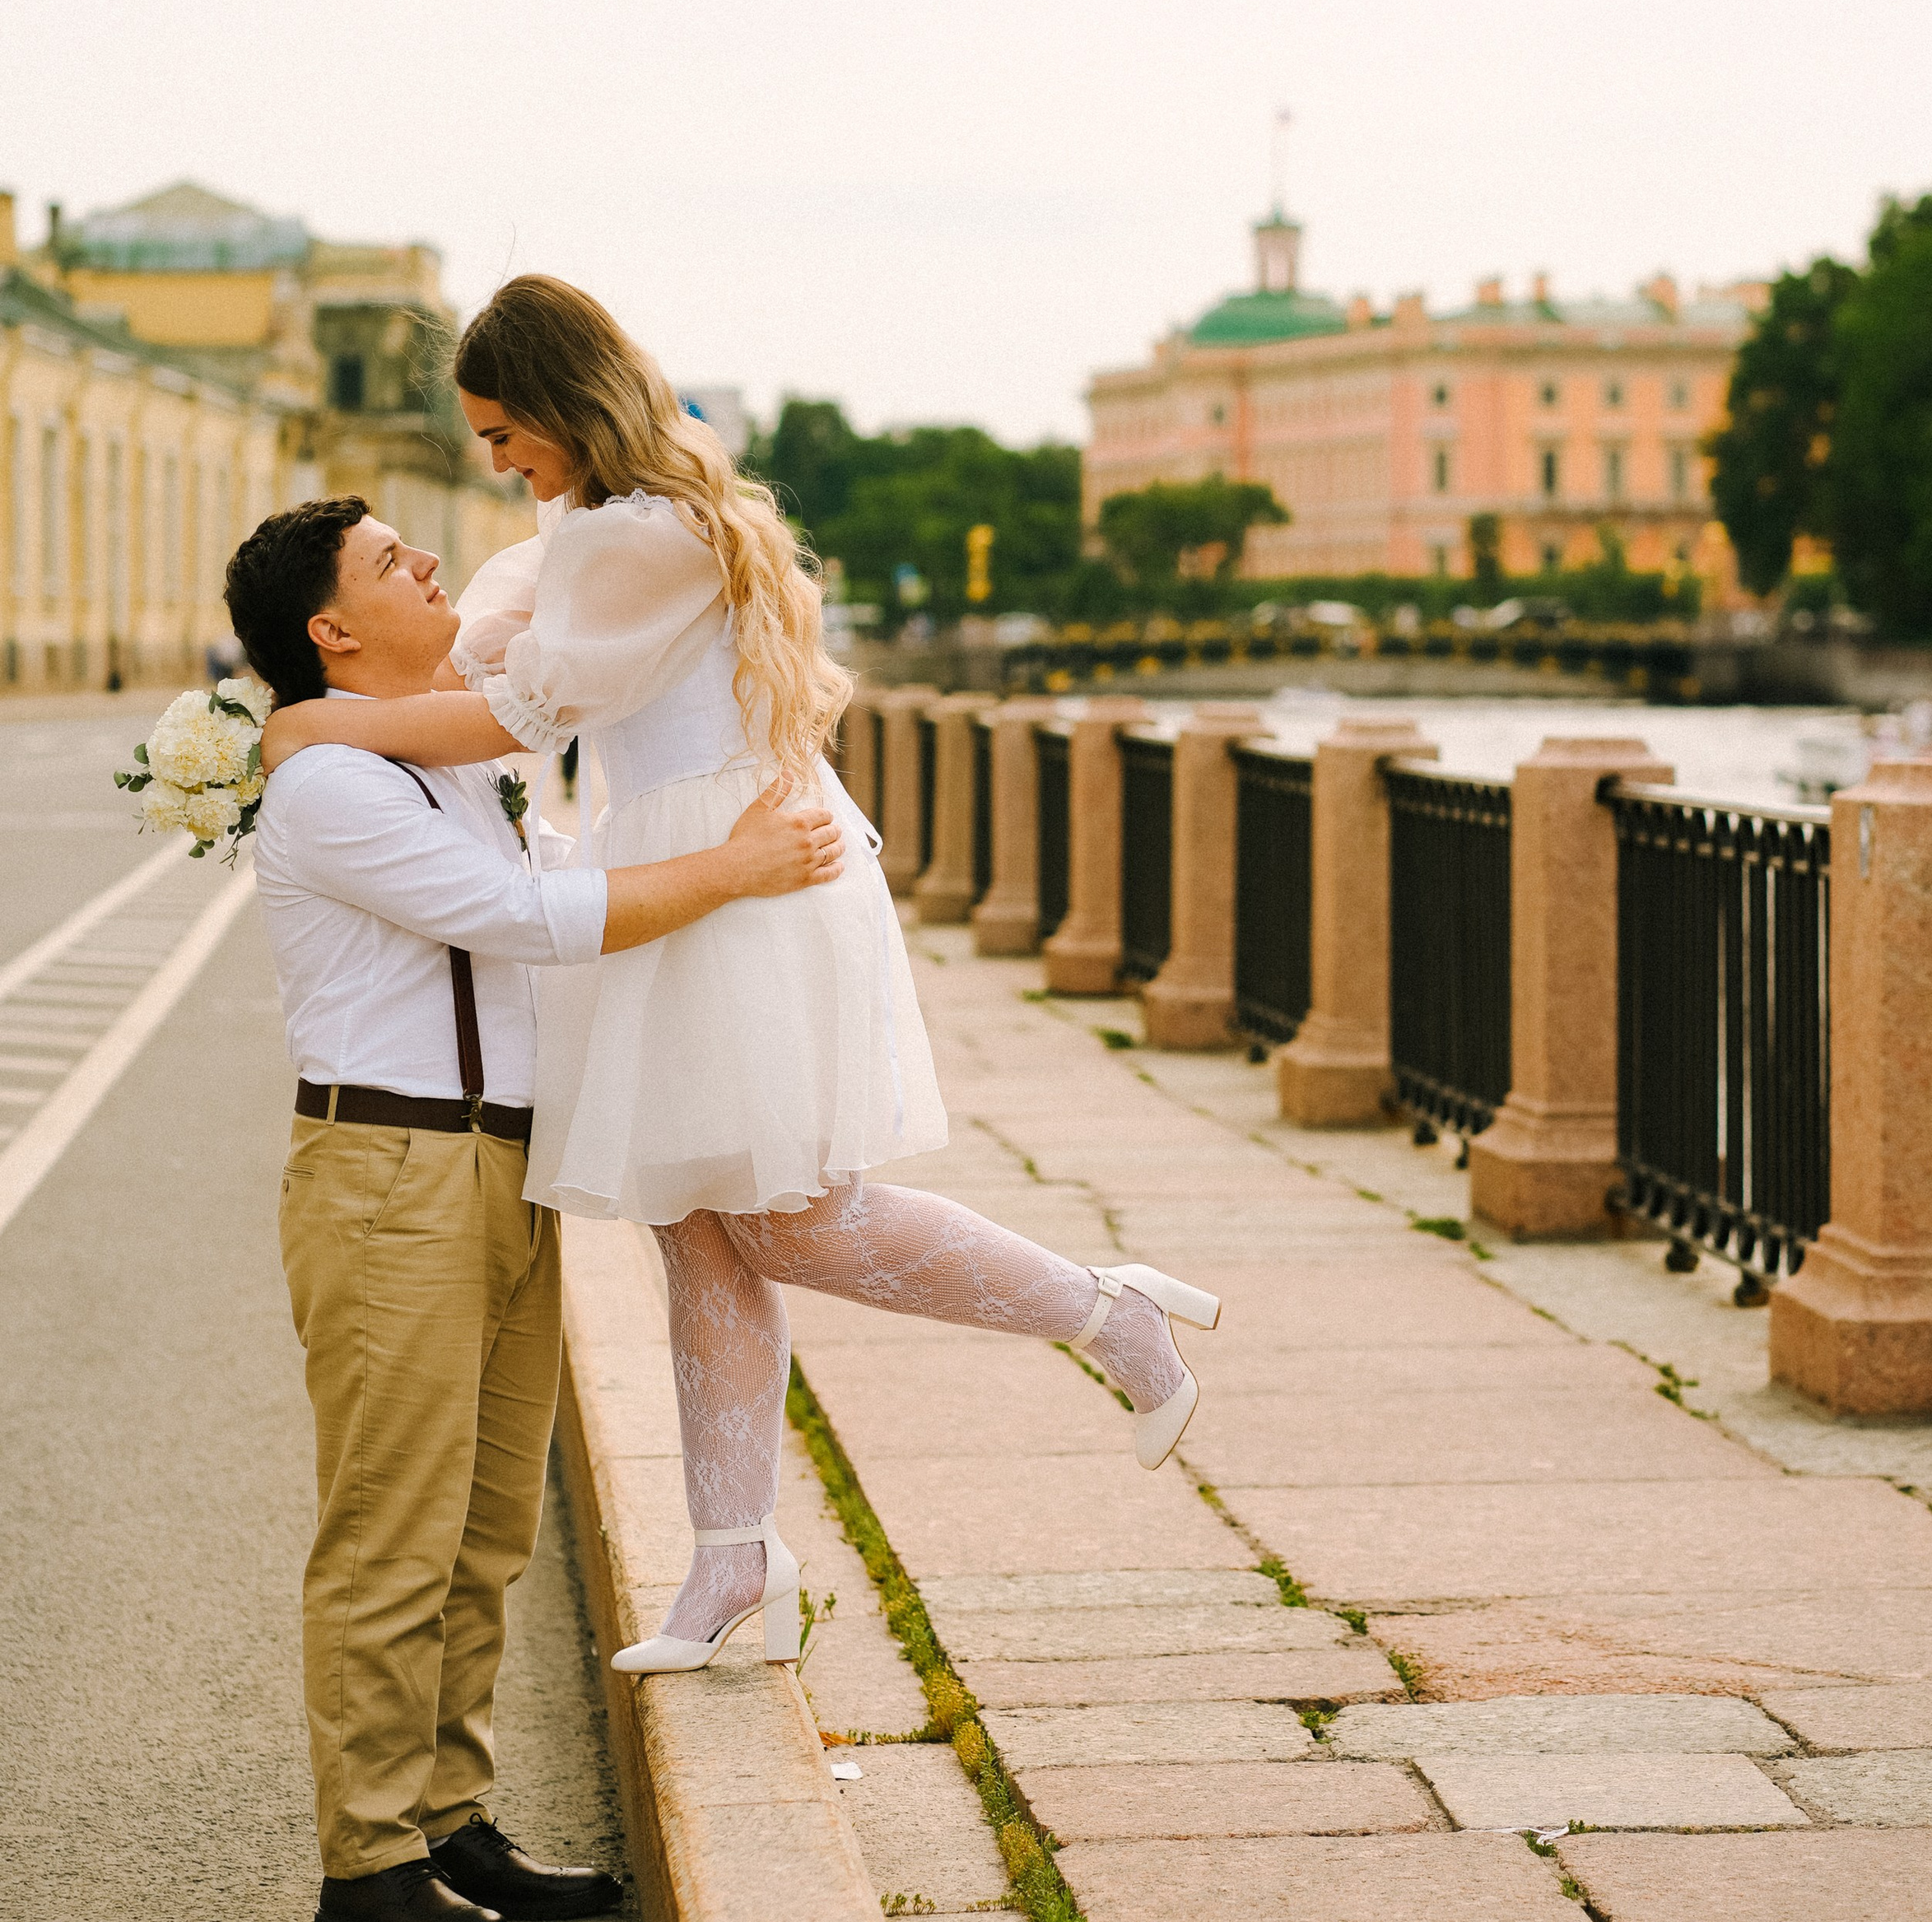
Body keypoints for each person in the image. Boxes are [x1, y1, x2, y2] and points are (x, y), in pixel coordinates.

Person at [261, 277, 1219, 1684]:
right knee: (695, 1225)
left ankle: (1104, 1312)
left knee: (782, 1217)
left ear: (559, 404)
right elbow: (494, 645)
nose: (492, 462)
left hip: (735, 872)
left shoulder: (637, 535)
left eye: (500, 430)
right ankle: (730, 1560)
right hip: (698, 852)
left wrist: (325, 722)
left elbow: (517, 710)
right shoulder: (601, 524)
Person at [226, 495, 845, 1922]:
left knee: (490, 1521)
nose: (427, 563)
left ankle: (452, 1818)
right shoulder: (332, 788)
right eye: (392, 563)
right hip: (389, 1171)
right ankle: (365, 1860)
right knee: (394, 1527)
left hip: (498, 1168)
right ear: (331, 630)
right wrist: (734, 870)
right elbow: (528, 918)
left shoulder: (422, 758)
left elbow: (559, 838)